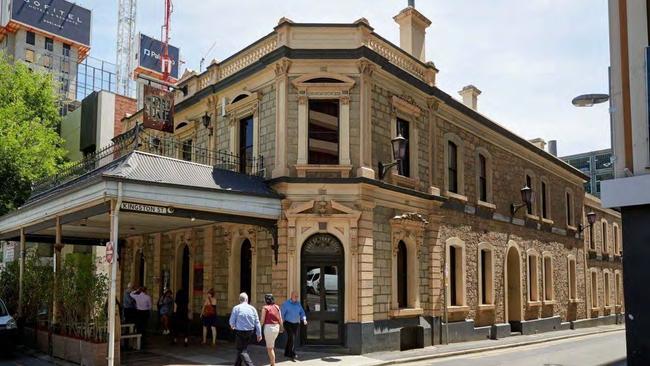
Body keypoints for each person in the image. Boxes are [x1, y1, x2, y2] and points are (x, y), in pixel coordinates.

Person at [229, 292, 262, 366]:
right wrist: (259, 334)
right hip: (250, 332)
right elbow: (257, 322)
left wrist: (232, 326)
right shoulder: (252, 308)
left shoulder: (236, 308)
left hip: (239, 331)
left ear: (239, 299)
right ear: (247, 299)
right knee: (242, 349)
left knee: (242, 351)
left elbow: (231, 321)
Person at [281, 291, 307, 361]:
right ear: (292, 296)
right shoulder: (286, 304)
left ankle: (286, 352)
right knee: (292, 337)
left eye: (297, 296)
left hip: (296, 324)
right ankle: (292, 353)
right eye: (295, 296)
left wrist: (304, 319)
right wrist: (281, 324)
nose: (297, 298)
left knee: (291, 338)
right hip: (287, 323)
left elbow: (302, 313)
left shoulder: (298, 304)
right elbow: (282, 314)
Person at [260, 294, 283, 366]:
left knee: (270, 348)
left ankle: (273, 364)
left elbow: (262, 321)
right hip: (276, 327)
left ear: (266, 300)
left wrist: (258, 329)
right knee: (271, 346)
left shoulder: (265, 308)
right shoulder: (277, 307)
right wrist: (282, 328)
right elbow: (280, 319)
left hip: (269, 328)